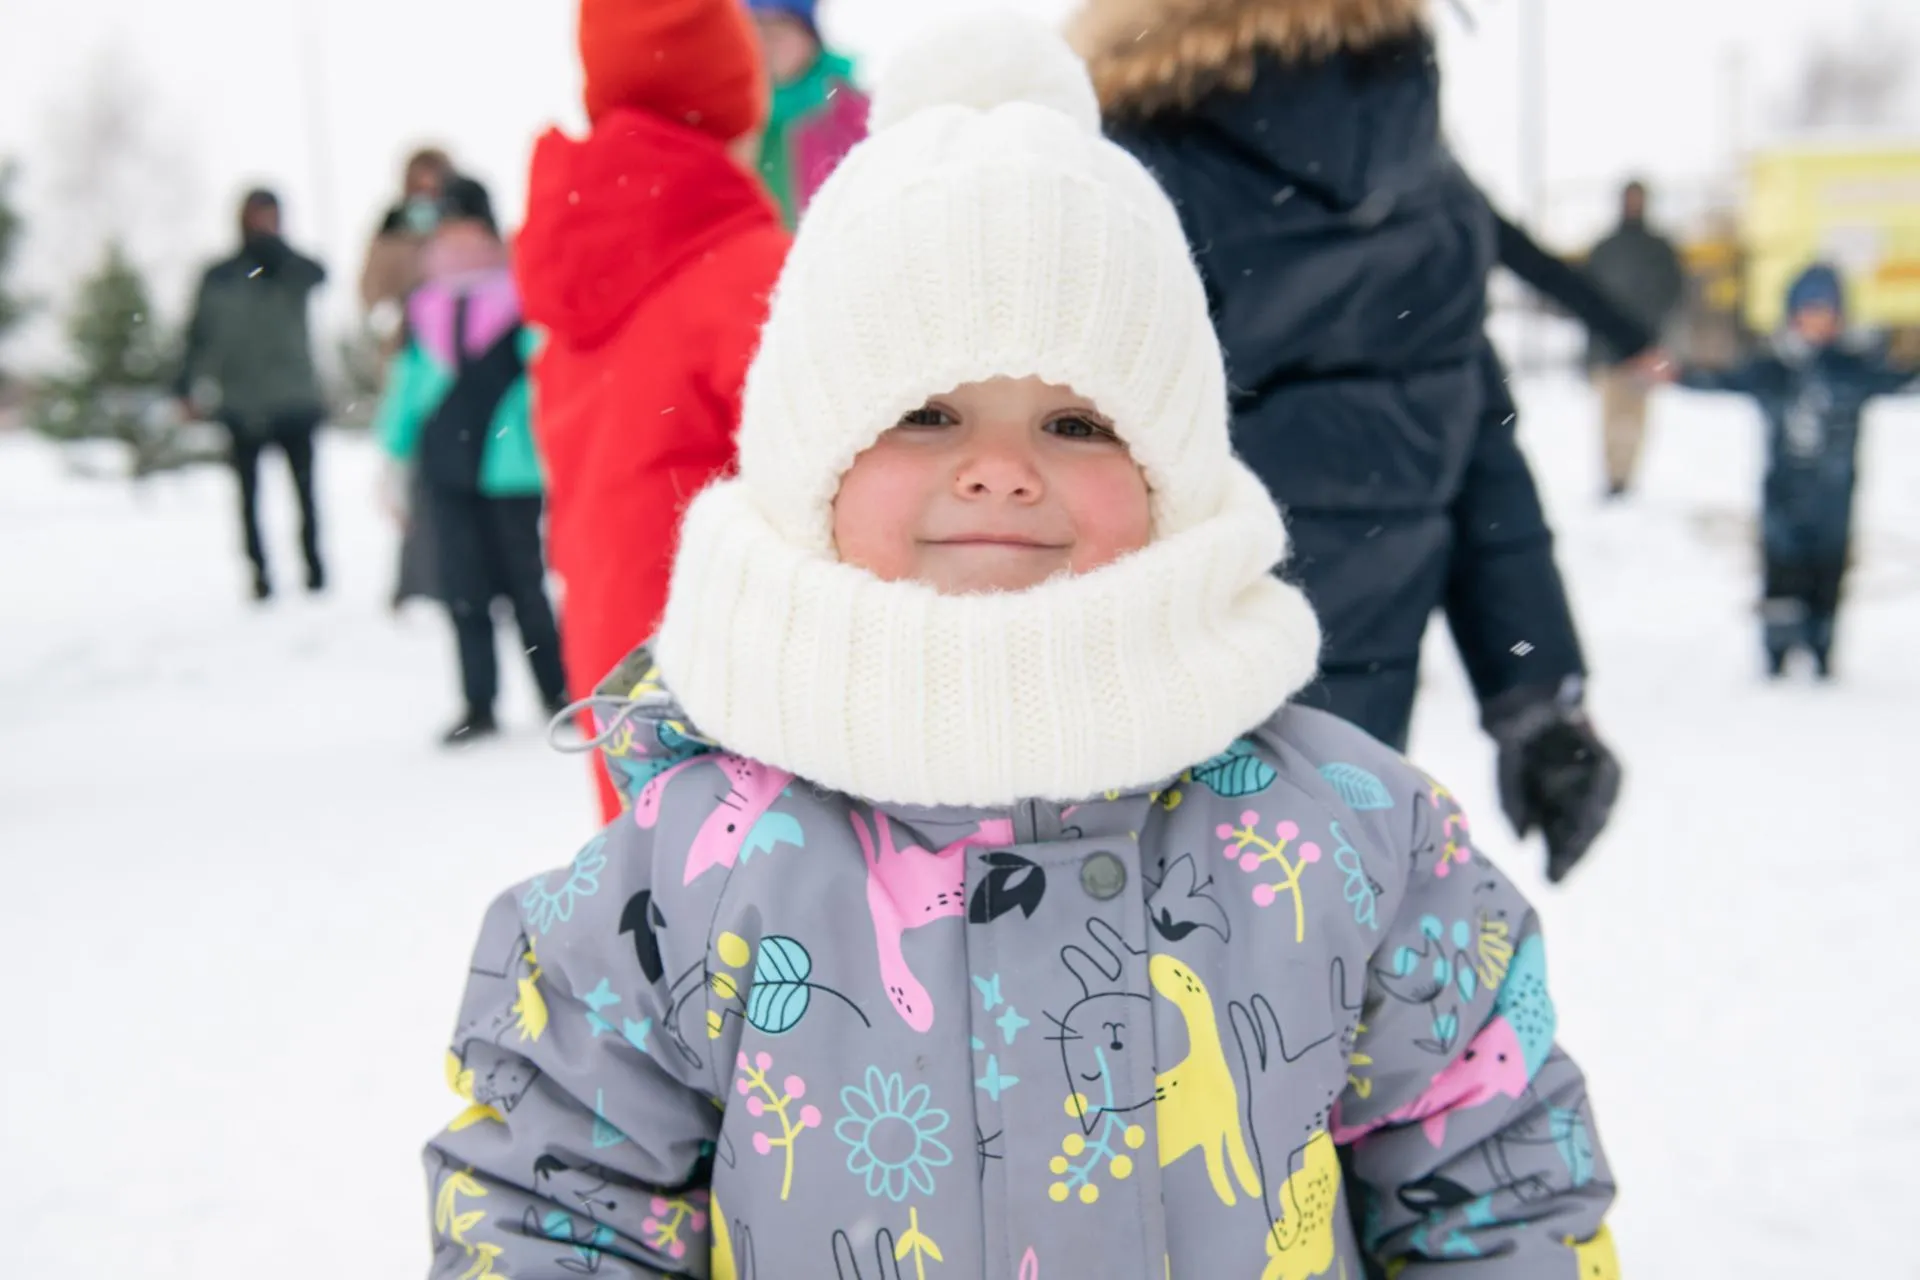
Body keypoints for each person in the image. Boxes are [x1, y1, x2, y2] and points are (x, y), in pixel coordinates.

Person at [423, 16, 1618, 1278]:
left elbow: (1498, 1179)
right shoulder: (686, 871)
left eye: (1074, 419)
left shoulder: (1352, 839)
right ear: (804, 458)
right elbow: (553, 1197)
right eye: (926, 413)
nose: (999, 470)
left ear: (1179, 468)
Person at [1071, 0, 1620, 883]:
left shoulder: (1122, 169)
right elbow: (1477, 442)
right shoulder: (1426, 184)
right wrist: (1535, 689)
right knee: (1311, 980)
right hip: (1349, 765)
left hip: (1137, 749)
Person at [516, 0, 790, 816]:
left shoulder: (577, 282)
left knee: (663, 905)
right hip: (736, 666)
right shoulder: (751, 271)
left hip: (618, 655)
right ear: (733, 105)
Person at [374, 175, 569, 745]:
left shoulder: (523, 299)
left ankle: (554, 689)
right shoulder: (423, 310)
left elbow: (547, 379)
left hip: (511, 466)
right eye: (445, 235)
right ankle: (477, 700)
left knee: (524, 584)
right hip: (445, 468)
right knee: (463, 589)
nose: (455, 246)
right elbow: (405, 389)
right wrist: (393, 457)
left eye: (467, 232)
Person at [1663, 264, 1915, 679]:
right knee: (1782, 571)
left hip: (1835, 497)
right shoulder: (1774, 368)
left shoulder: (1852, 366)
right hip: (1782, 495)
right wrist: (1676, 373)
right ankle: (1776, 652)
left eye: (1826, 312)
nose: (1817, 322)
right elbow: (1722, 379)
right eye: (1809, 311)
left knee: (1828, 573)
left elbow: (1902, 380)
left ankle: (1821, 648)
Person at [177, 188, 328, 601]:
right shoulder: (221, 275)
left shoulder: (290, 268)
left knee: (306, 495)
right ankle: (259, 574)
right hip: (242, 404)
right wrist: (185, 386)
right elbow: (197, 335)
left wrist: (277, 252)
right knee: (248, 499)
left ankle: (315, 570)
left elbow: (320, 275)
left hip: (294, 400)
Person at [361, 147, 457, 612]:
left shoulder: (462, 224)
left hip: (461, 369)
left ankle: (456, 571)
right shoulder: (392, 234)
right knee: (412, 473)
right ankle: (415, 578)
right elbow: (371, 292)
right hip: (411, 363)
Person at [1585, 179, 1686, 499]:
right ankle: (1613, 477)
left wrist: (1655, 340)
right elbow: (1587, 298)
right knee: (1611, 419)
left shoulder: (1660, 250)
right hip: (1607, 351)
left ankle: (1628, 478)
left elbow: (1672, 294)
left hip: (1644, 351)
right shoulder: (1605, 248)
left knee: (1636, 419)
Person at [746, 0, 869, 227]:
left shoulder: (850, 109)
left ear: (808, 36)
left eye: (780, 28)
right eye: (758, 27)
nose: (768, 42)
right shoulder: (736, 113)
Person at [360, 147, 455, 363]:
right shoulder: (389, 232)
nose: (427, 191)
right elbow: (372, 291)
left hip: (456, 341)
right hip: (407, 347)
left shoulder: (463, 229)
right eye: (419, 184)